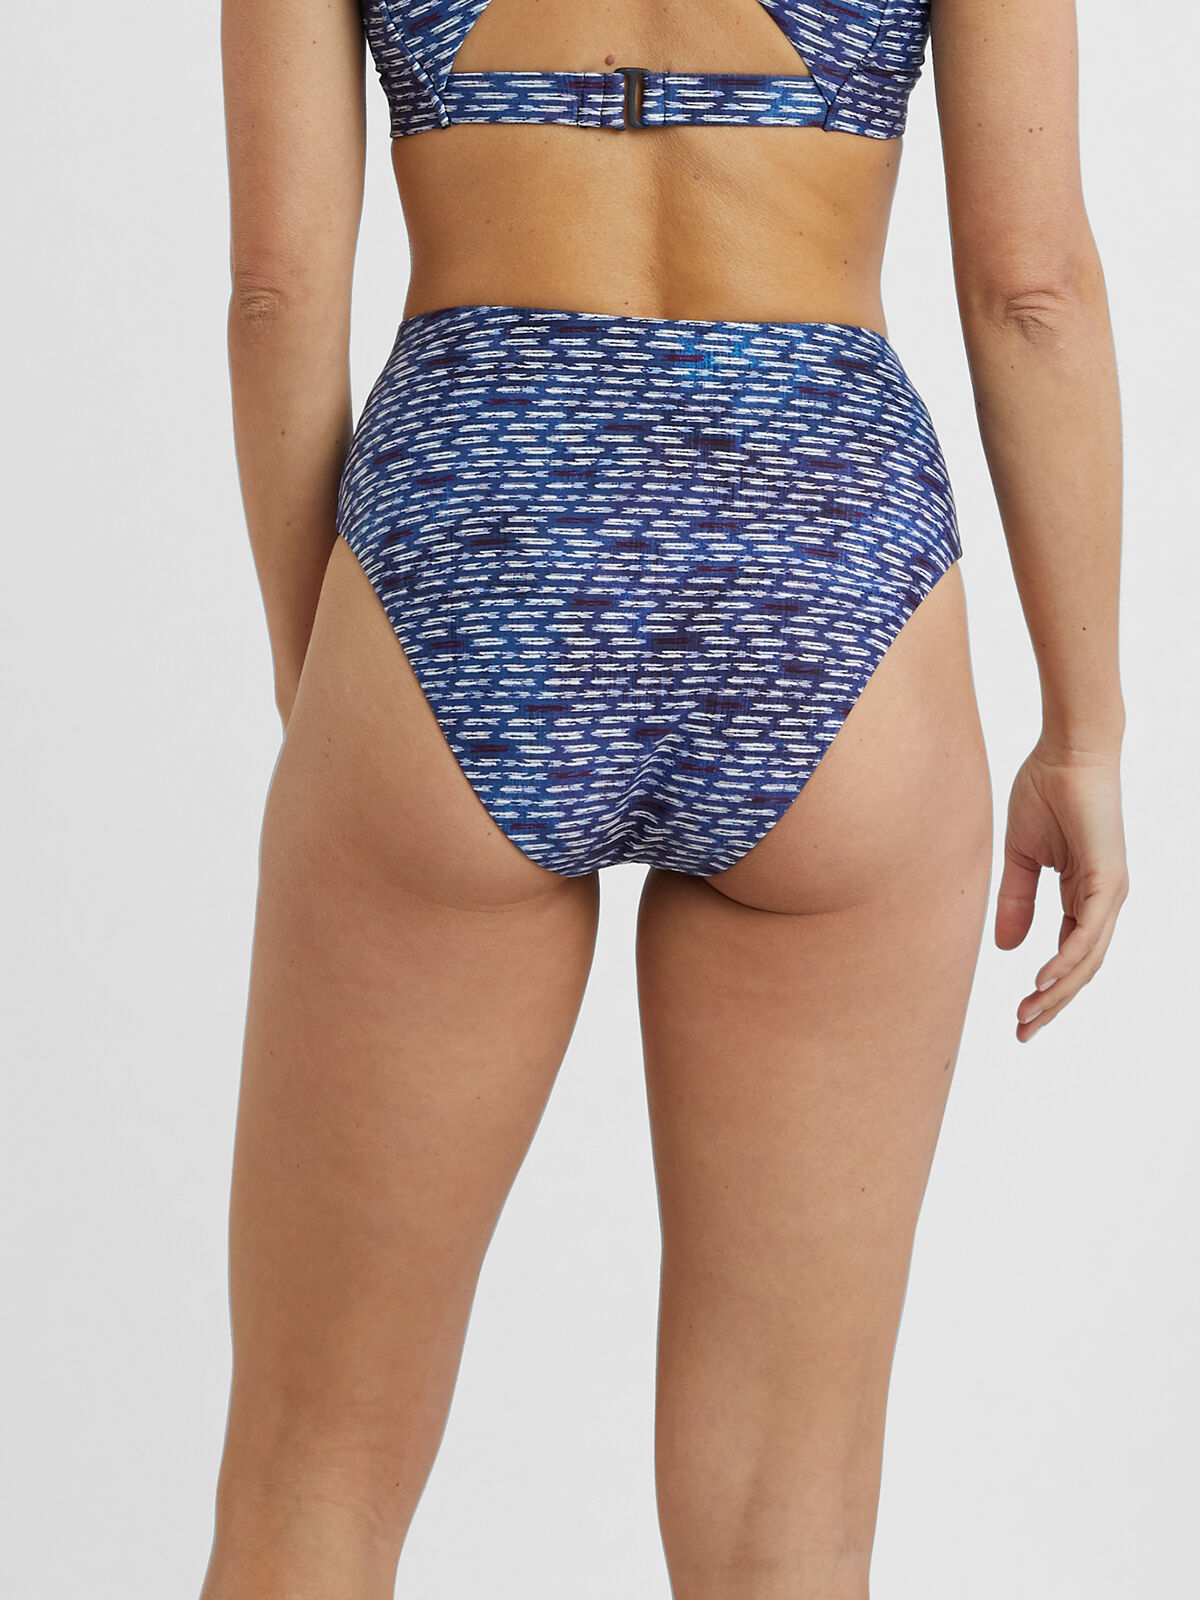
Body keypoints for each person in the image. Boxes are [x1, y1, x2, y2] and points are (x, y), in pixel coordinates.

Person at [205, 1, 1128, 1594]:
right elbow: (1030, 288)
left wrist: (339, 683)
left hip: (469, 539)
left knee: (314, 1469)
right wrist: (1086, 732)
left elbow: (277, 290)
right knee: (789, 1507)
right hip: (825, 568)